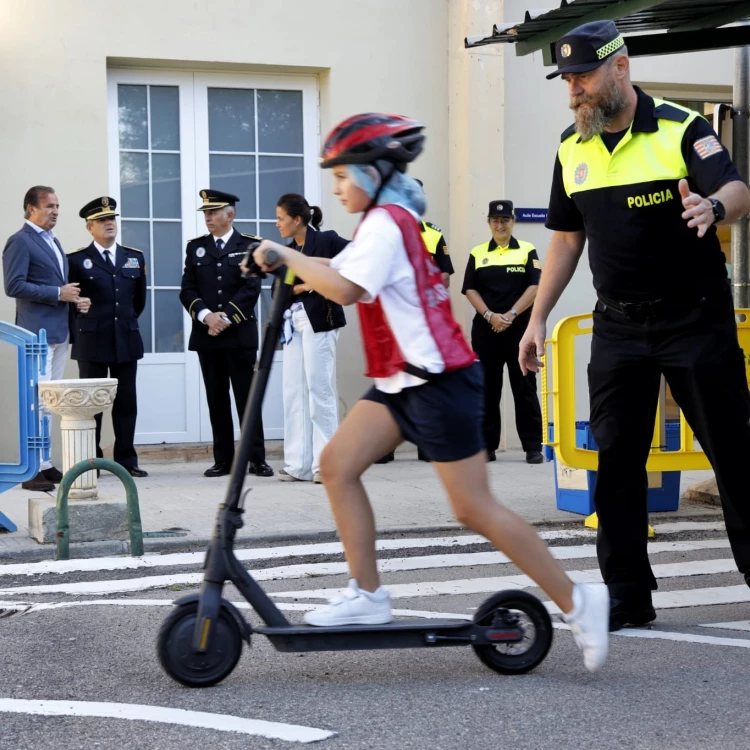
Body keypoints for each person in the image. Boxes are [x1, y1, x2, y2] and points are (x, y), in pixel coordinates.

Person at [251, 112, 609, 672]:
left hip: (440, 382)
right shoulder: (380, 224)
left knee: (473, 508)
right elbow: (336, 266)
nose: (337, 188)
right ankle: (367, 595)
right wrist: (286, 262)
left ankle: (578, 599)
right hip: (401, 382)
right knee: (338, 464)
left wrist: (289, 255)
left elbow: (344, 288)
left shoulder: (388, 223)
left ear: (371, 173)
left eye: (342, 177)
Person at [518, 20, 750, 632]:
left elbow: (736, 187)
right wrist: (537, 318)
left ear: (620, 67)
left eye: (584, 76)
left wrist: (713, 206)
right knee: (616, 460)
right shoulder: (572, 147)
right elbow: (566, 240)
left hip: (694, 321)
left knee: (734, 453)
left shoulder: (680, 127)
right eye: (567, 80)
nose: (575, 91)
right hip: (617, 328)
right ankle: (627, 593)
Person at [179, 189, 273, 479]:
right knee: (216, 399)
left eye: (213, 212)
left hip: (239, 334)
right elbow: (187, 290)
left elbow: (251, 288)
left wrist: (227, 317)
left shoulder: (250, 245)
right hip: (208, 335)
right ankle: (224, 460)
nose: (208, 217)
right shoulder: (195, 247)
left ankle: (256, 458)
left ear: (229, 215)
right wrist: (207, 316)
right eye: (205, 213)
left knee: (247, 398)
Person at [3, 186, 83, 492]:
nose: (56, 211)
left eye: (58, 206)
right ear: (30, 208)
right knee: (36, 402)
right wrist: (56, 293)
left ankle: (46, 464)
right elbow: (14, 285)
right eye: (49, 206)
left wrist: (72, 298)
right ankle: (32, 468)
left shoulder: (54, 241)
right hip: (35, 334)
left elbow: (56, 283)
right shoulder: (20, 241)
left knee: (50, 402)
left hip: (59, 331)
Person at [68, 196, 148, 477]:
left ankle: (127, 460)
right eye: (102, 220)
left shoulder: (133, 257)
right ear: (90, 227)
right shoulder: (76, 260)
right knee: (93, 405)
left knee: (126, 402)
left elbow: (138, 302)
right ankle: (93, 462)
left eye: (112, 219)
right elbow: (72, 302)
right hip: (91, 341)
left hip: (125, 338)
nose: (109, 224)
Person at [376, 178, 455, 465]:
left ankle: (426, 445)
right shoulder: (387, 231)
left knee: (425, 382)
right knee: (394, 380)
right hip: (392, 320)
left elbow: (445, 274)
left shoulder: (433, 234)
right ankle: (386, 446)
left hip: (423, 321)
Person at [462, 200, 544, 465]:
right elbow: (470, 289)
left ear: (513, 222)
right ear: (489, 223)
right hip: (486, 330)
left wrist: (509, 315)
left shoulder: (527, 250)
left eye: (505, 220)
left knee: (524, 387)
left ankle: (533, 447)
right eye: (495, 220)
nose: (500, 225)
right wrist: (490, 315)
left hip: (519, 328)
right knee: (487, 388)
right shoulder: (477, 253)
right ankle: (487, 447)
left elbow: (535, 286)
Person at [275, 193, 348, 484]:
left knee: (320, 392)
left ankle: (326, 465)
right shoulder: (287, 250)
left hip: (321, 321)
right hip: (292, 324)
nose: (277, 223)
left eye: (281, 218)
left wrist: (308, 283)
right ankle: (298, 465)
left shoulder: (327, 240)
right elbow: (280, 291)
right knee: (294, 392)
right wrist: (297, 288)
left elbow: (354, 259)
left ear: (297, 219)